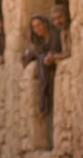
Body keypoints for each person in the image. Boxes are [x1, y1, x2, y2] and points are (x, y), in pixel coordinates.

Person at [21, 15, 61, 149]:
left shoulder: (55, 35)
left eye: (39, 25)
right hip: (47, 80)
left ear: (45, 23)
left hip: (54, 76)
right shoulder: (38, 42)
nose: (37, 29)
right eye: (34, 27)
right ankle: (50, 144)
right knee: (49, 110)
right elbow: (35, 54)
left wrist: (52, 56)